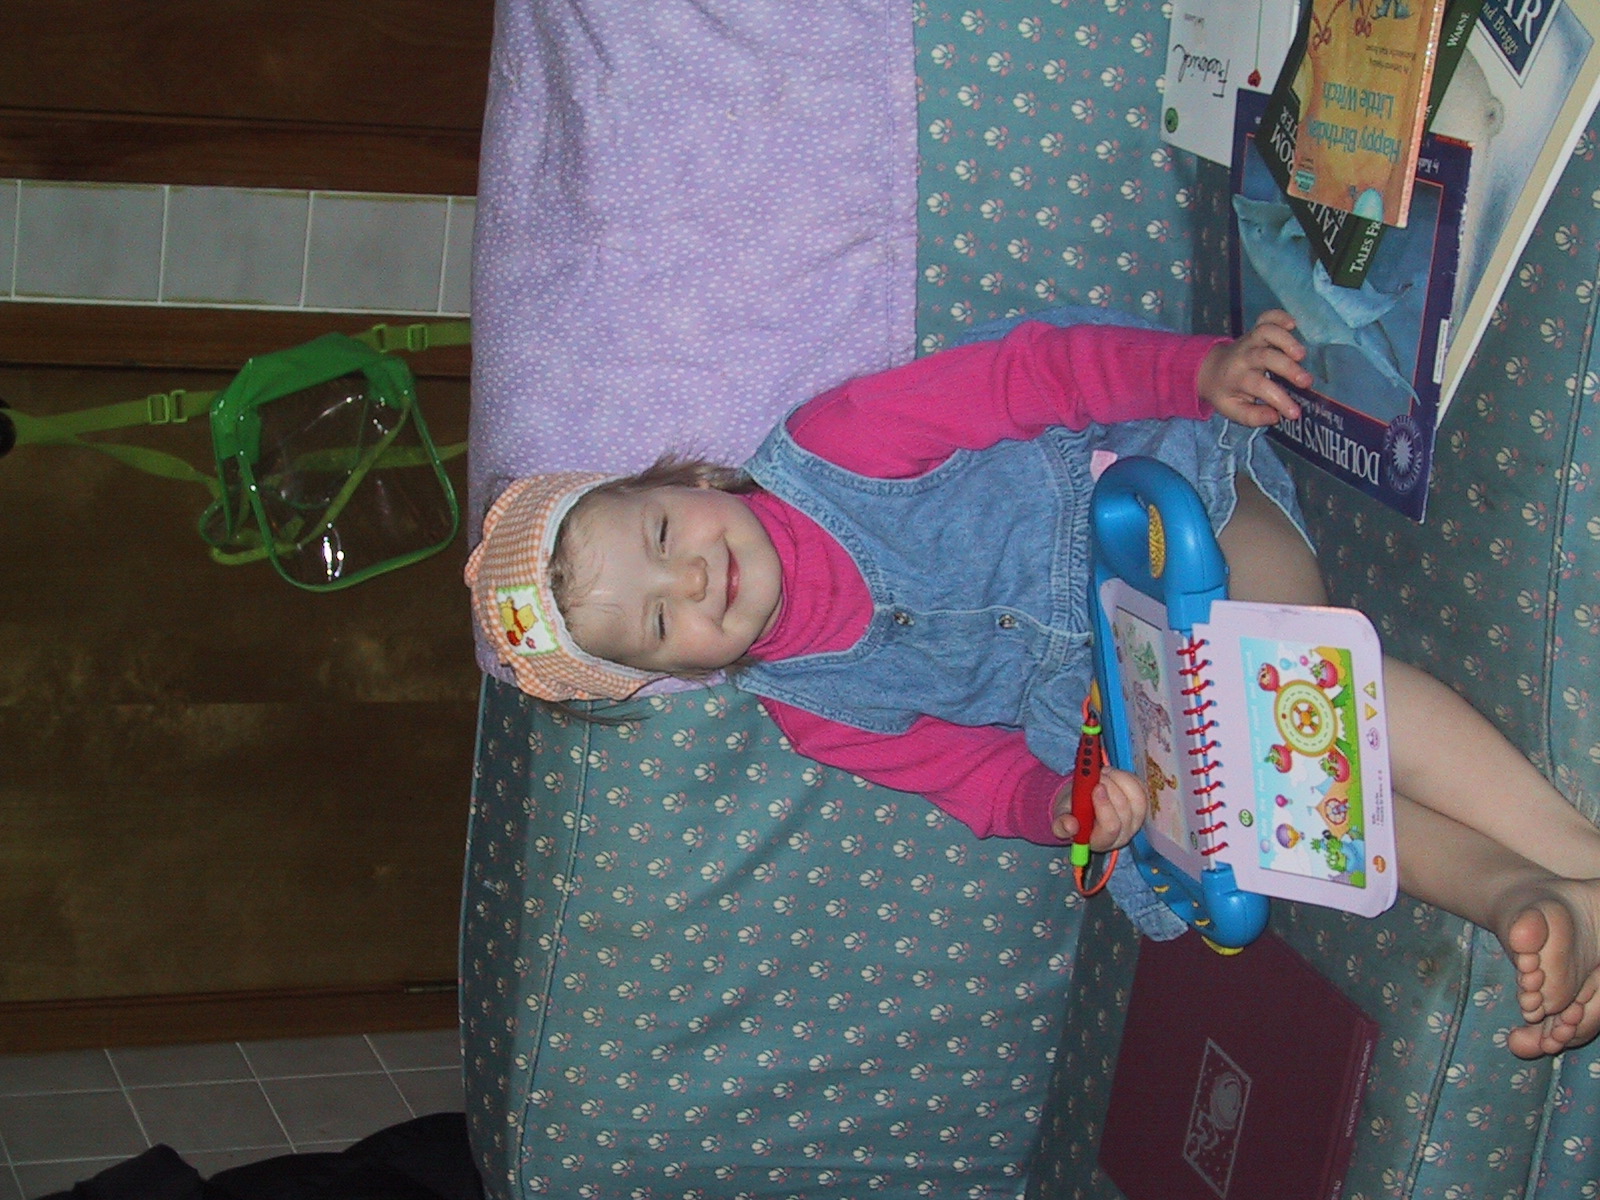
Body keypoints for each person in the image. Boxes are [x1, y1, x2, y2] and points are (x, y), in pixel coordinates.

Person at [466, 310, 1600, 1060]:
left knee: (1272, 677)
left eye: (663, 533)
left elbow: (1037, 375)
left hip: (1175, 513)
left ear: (680, 477)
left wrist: (1197, 371)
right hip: (1126, 705)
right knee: (1271, 815)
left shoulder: (840, 444)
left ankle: (1575, 847)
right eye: (660, 623)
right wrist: (1062, 805)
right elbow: (975, 780)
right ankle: (1521, 893)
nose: (691, 579)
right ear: (673, 677)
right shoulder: (814, 715)